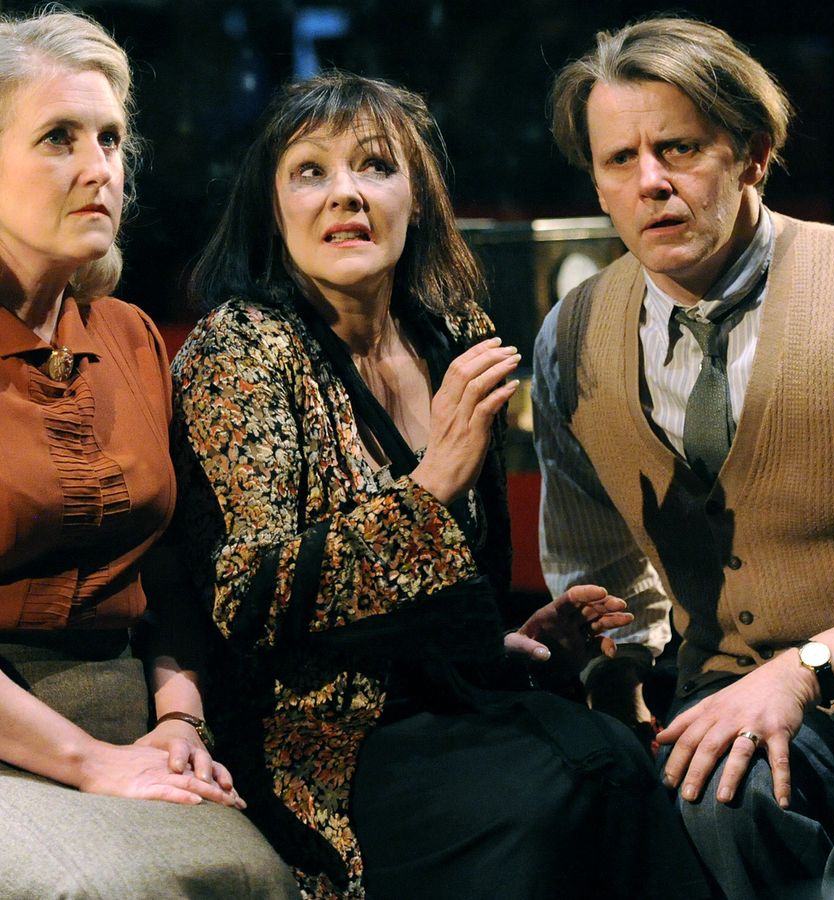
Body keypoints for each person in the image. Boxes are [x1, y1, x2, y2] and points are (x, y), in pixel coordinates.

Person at [171, 69, 709, 899]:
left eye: (375, 166)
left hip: (460, 706)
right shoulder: (239, 350)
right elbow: (248, 597)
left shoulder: (451, 333)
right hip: (320, 746)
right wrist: (430, 487)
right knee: (560, 794)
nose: (346, 193)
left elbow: (458, 582)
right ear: (272, 208)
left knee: (620, 763)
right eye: (310, 171)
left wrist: (512, 642)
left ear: (416, 196)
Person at [534, 15, 834, 899]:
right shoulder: (571, 338)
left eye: (680, 148)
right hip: (732, 679)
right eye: (620, 159)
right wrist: (611, 666)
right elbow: (598, 568)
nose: (651, 182)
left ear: (754, 156)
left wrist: (804, 672)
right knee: (715, 799)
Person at [0, 9, 297, 898]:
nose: (100, 169)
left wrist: (179, 719)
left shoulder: (129, 336)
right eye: (58, 138)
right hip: (21, 735)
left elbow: (168, 569)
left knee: (253, 878)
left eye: (111, 139)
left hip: (126, 716)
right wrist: (91, 763)